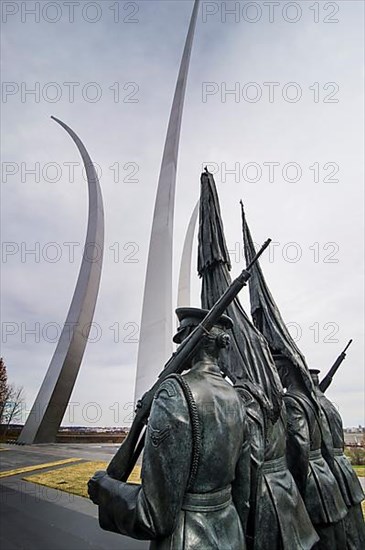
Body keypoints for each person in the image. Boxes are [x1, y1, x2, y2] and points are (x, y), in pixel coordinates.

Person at [88, 307, 251, 550]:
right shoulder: (236, 397)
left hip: (185, 538)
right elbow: (243, 493)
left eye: (181, 339)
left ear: (190, 339)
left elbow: (154, 516)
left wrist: (105, 487)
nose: (177, 349)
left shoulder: (173, 393)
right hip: (230, 535)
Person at [274, 354, 347, 550]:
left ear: (285, 372)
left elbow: (299, 447)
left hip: (312, 483)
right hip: (325, 476)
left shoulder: (291, 401)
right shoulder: (313, 400)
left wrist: (294, 490)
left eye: (278, 370)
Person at [310, 369, 365, 550]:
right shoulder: (328, 404)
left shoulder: (315, 406)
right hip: (341, 468)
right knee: (351, 529)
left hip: (330, 468)